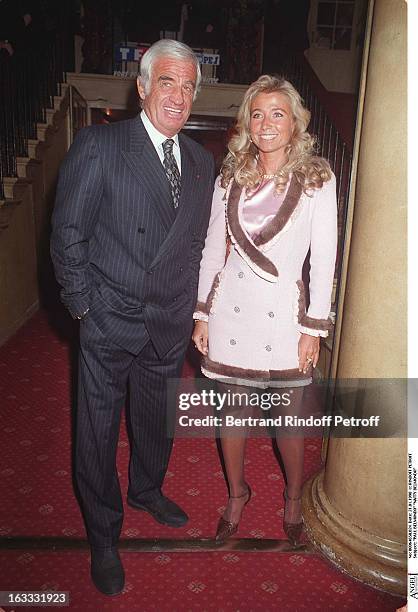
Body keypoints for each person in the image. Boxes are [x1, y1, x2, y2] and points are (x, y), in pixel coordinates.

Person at [51, 39, 215, 595]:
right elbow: (67, 234)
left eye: (189, 85)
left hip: (167, 325)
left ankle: (147, 489)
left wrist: (193, 308)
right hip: (109, 319)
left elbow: (194, 245)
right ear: (141, 86)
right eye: (167, 81)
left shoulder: (199, 160)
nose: (179, 95)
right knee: (96, 434)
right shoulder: (100, 145)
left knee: (154, 423)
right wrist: (84, 307)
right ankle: (103, 533)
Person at [192, 75, 337, 544]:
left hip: (284, 316)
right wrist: (202, 314)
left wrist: (313, 327)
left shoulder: (317, 177)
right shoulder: (230, 175)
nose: (266, 122)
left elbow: (324, 257)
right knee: (231, 418)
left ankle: (294, 496)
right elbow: (213, 248)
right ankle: (237, 493)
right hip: (232, 311)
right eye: (258, 113)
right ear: (246, 123)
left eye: (278, 113)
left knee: (287, 422)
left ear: (295, 123)